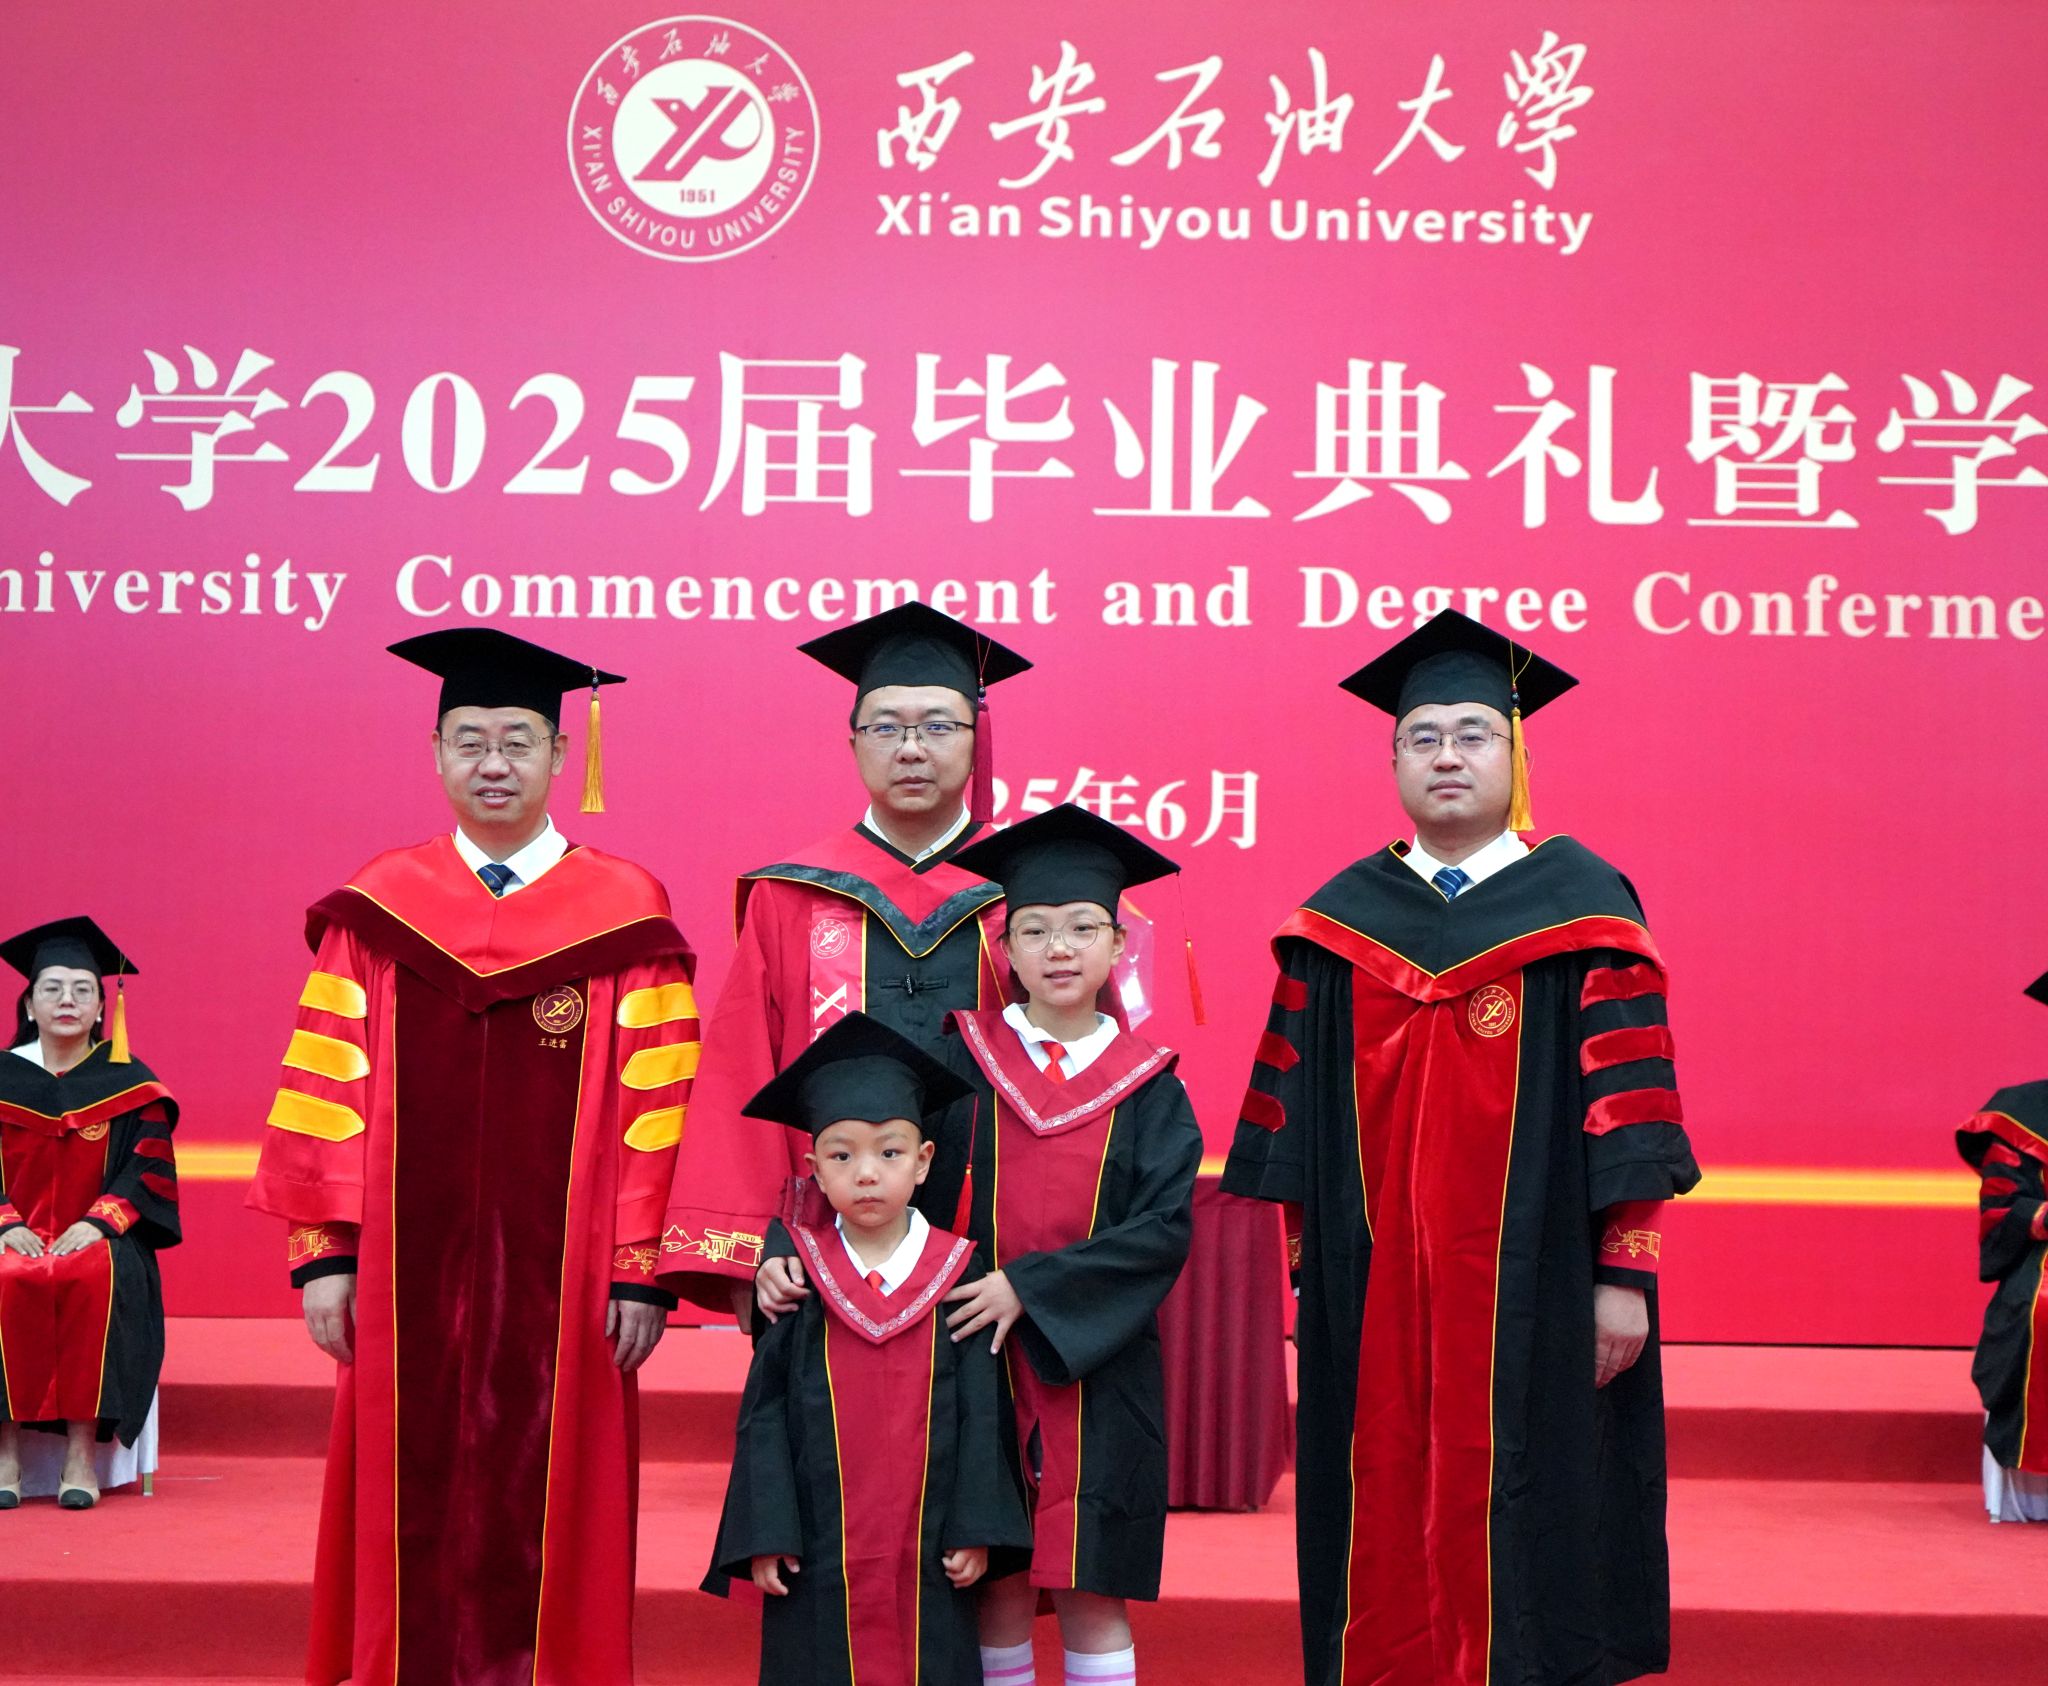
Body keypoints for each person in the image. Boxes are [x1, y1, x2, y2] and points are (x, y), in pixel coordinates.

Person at [1222, 610, 1702, 1686]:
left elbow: (1632, 1109)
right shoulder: (1337, 927)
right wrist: (1307, 1276)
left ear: (1514, 755)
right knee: (1375, 1494)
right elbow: (1291, 1130)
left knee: (1542, 1504)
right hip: (1370, 1289)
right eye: (1423, 737)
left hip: (1541, 1284)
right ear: (1393, 759)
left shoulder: (1583, 909)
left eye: (1473, 734)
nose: (1447, 755)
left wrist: (1624, 1273)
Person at [246, 628, 699, 1686]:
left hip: (571, 1280)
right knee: (401, 1480)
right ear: (436, 754)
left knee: (559, 1484)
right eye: (470, 741)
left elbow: (658, 1112)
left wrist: (641, 1269)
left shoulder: (625, 913)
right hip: (401, 1275)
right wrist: (326, 1254)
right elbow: (326, 1091)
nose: (493, 764)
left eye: (517, 741)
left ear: (560, 755)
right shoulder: (379, 907)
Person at [662, 602, 1031, 1319]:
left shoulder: (1024, 893)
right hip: (817, 1259)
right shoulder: (790, 895)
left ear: (976, 738)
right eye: (886, 728)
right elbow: (743, 1067)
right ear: (853, 741)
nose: (911, 749)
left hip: (996, 1265)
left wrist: (1048, 1260)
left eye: (938, 726)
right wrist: (761, 1246)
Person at [936, 804, 1204, 1686]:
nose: (1059, 948)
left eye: (1084, 928)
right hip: (973, 1357)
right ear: (1005, 951)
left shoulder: (1153, 1088)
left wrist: (1031, 1289)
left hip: (1103, 1369)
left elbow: (1161, 1231)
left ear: (1118, 945)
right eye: (1035, 930)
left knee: (1093, 1582)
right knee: (996, 1582)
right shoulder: (957, 1066)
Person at [706, 1011, 1031, 1686]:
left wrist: (977, 1527)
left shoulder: (959, 1274)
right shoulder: (797, 1280)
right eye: (841, 1155)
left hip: (930, 1550)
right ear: (814, 1172)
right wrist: (767, 1532)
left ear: (924, 1162)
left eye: (889, 1153)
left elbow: (983, 1412)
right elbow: (765, 1416)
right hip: (815, 1551)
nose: (865, 1174)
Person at [0, 917, 179, 1509]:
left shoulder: (129, 1083)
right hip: (10, 1234)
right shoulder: (3, 1078)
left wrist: (99, 1222)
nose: (67, 1000)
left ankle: (81, 1456)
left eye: (82, 989)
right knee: (7, 1276)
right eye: (52, 988)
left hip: (100, 1237)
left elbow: (147, 1167)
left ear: (103, 1007)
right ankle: (6, 1454)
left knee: (93, 1275)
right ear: (29, 1004)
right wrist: (7, 1224)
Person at [1956, 975, 2048, 1523]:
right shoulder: (2024, 1115)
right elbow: (2002, 1206)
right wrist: (2042, 1217)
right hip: (2046, 1260)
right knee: (2040, 1309)